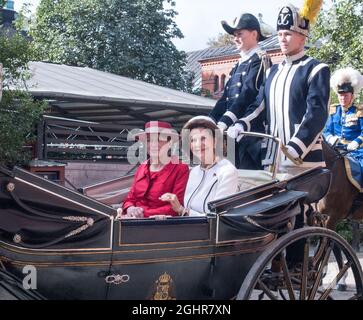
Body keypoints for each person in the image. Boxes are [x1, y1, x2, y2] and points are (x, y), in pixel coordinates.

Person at [227, 1, 330, 177]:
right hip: (272, 159)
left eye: (288, 34)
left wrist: (295, 147)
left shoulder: (316, 69)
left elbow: (316, 114)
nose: (282, 39)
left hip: (304, 161)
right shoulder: (272, 71)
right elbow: (259, 106)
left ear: (303, 37)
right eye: (280, 34)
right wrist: (241, 123)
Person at [208, 13, 271, 169]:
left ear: (254, 34)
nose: (235, 38)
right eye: (234, 35)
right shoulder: (239, 63)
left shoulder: (260, 59)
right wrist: (210, 121)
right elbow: (225, 98)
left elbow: (247, 95)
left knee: (246, 182)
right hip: (230, 132)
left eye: (239, 34)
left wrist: (225, 122)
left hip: (248, 133)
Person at [160, 116, 238, 216]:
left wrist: (182, 210)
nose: (197, 144)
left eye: (203, 138)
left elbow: (217, 217)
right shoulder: (194, 172)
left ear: (215, 141)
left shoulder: (227, 171)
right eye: (192, 140)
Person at [119, 121, 189, 219]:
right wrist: (130, 208)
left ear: (170, 143)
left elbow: (176, 207)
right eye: (149, 140)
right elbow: (130, 199)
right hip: (134, 222)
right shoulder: (141, 167)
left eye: (159, 140)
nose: (153, 144)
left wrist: (143, 214)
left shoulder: (180, 168)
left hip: (162, 226)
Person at [324, 67, 363, 190]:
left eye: (345, 95)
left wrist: (356, 142)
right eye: (340, 96)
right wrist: (330, 138)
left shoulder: (359, 111)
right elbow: (326, 130)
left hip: (357, 152)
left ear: (352, 96)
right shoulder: (333, 110)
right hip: (337, 149)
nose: (342, 98)